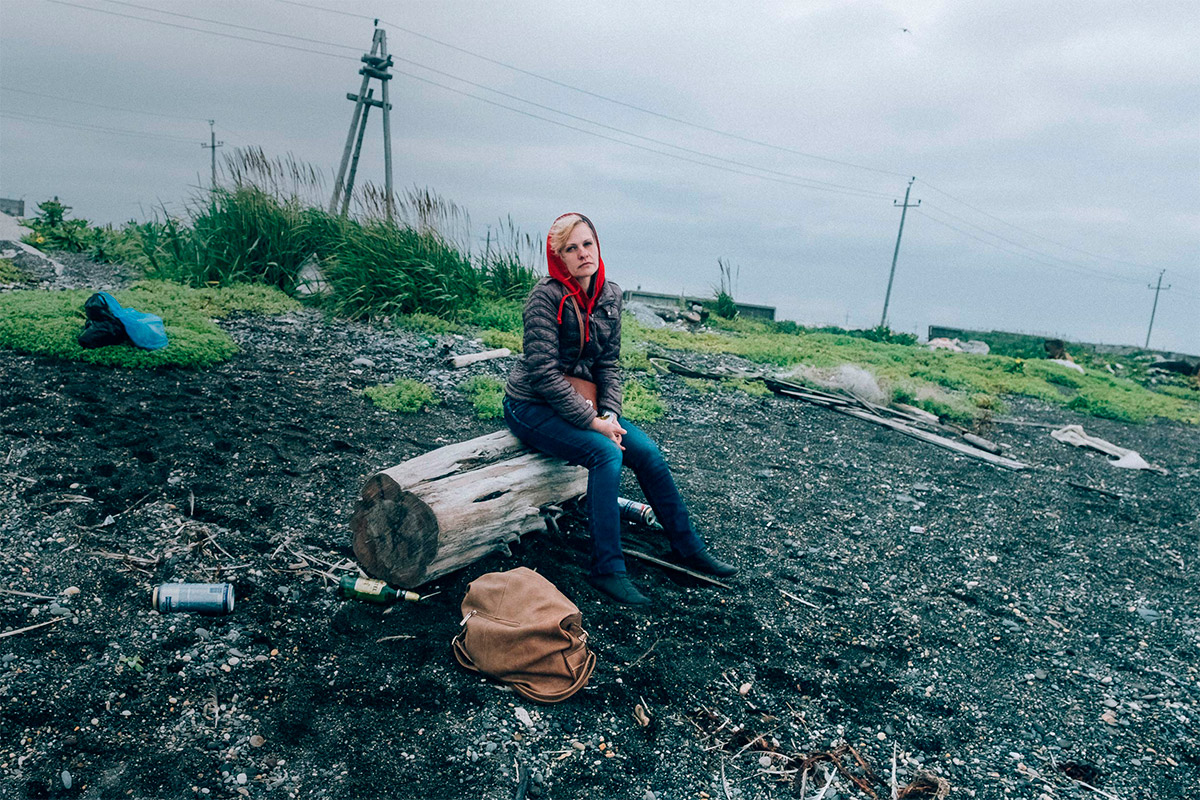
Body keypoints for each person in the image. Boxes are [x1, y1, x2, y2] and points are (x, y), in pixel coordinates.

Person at [503, 212, 737, 605]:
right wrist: (593, 424)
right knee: (606, 453)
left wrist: (609, 414)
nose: (583, 253)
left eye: (587, 244)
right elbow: (542, 374)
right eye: (571, 249)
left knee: (646, 451)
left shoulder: (610, 294)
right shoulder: (545, 297)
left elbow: (608, 365)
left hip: (585, 401)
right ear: (559, 257)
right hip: (531, 405)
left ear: (597, 245)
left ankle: (687, 547)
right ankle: (607, 569)